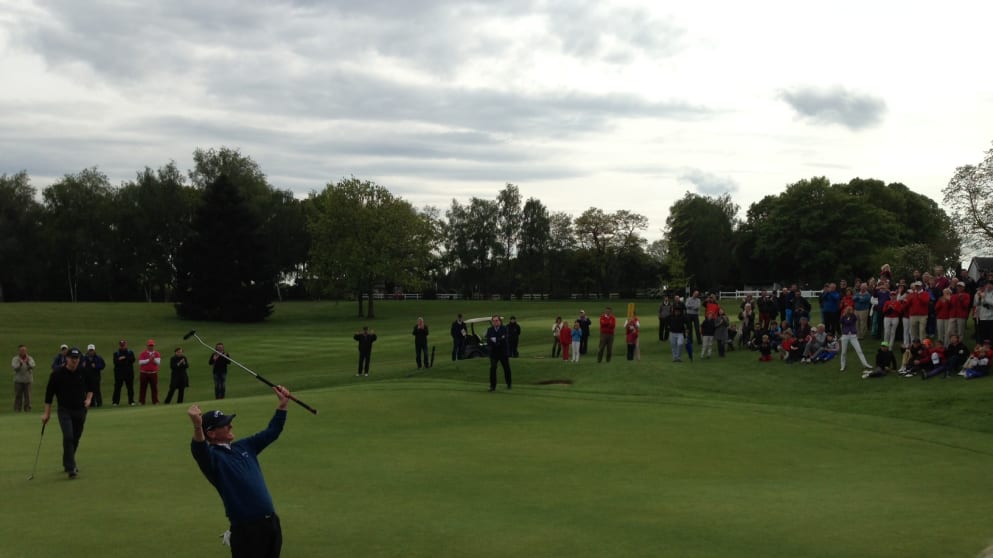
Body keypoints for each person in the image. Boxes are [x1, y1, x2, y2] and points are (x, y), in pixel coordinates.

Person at [188, 385, 293, 558]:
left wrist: (282, 405)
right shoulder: (212, 459)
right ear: (211, 433)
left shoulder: (244, 446)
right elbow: (199, 449)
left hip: (271, 523)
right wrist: (198, 427)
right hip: (246, 530)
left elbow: (272, 432)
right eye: (224, 424)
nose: (230, 425)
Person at [42, 347, 94, 479]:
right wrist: (47, 413)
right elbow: (49, 395)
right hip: (64, 410)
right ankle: (71, 468)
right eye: (72, 358)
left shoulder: (83, 371)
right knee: (68, 436)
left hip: (80, 410)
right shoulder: (57, 374)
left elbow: (91, 387)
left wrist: (88, 399)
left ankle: (67, 462)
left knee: (75, 438)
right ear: (67, 358)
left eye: (76, 358)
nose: (74, 361)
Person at [839, 306, 872, 372]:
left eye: (850, 310)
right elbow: (842, 322)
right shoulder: (843, 316)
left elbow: (854, 319)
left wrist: (851, 313)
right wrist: (844, 315)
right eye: (848, 310)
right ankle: (842, 366)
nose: (849, 311)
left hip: (853, 336)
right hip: (845, 335)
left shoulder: (853, 316)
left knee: (859, 350)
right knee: (843, 352)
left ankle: (865, 364)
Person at [485, 315, 511, 391]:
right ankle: (492, 386)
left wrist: (495, 340)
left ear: (500, 321)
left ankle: (509, 383)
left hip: (503, 352)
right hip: (494, 353)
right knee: (493, 368)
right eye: (493, 321)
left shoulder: (504, 328)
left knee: (506, 368)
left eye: (496, 320)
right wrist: (497, 340)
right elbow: (488, 340)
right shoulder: (490, 330)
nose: (495, 322)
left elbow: (504, 339)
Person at [111, 339, 136, 406]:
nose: (122, 347)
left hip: (129, 373)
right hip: (119, 374)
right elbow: (115, 362)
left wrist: (123, 358)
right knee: (117, 388)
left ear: (126, 345)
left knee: (130, 388)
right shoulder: (116, 353)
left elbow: (132, 360)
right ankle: (115, 402)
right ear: (119, 346)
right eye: (121, 345)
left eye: (123, 345)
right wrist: (124, 360)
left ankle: (131, 401)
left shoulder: (130, 352)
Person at [12, 344, 36, 412]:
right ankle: (17, 409)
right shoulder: (15, 359)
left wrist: (28, 363)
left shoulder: (30, 358)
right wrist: (20, 364)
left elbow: (33, 366)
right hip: (18, 380)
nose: (23, 351)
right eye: (21, 350)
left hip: (28, 380)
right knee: (18, 396)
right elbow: (14, 367)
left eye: (24, 350)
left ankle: (27, 409)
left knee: (28, 396)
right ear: (19, 351)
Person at [138, 339, 162, 405]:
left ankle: (155, 401)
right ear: (147, 346)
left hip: (153, 373)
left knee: (154, 388)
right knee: (143, 388)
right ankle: (141, 401)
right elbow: (140, 362)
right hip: (144, 373)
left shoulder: (157, 353)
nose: (151, 347)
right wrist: (149, 360)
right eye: (150, 345)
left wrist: (153, 360)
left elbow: (158, 363)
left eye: (152, 345)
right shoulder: (143, 353)